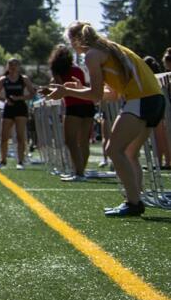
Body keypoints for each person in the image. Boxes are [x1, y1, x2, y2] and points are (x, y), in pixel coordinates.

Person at [47, 21, 167, 216]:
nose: (71, 46)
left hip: (141, 100)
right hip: (155, 99)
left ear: (77, 40)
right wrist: (77, 90)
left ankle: (134, 202)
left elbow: (94, 95)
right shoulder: (109, 48)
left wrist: (66, 91)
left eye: (71, 41)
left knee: (114, 149)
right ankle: (136, 198)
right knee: (129, 152)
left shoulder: (92, 55)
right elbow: (111, 94)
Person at [48, 44, 95, 181]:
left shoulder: (58, 71)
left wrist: (48, 91)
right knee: (84, 141)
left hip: (74, 106)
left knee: (70, 140)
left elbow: (59, 89)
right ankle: (80, 171)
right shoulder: (77, 69)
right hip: (88, 105)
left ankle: (79, 173)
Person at [0, 58, 35, 169]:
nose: (13, 66)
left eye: (15, 64)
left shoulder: (24, 79)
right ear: (7, 66)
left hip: (21, 108)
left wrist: (20, 98)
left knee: (20, 136)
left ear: (19, 66)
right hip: (8, 108)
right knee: (4, 137)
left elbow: (32, 93)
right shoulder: (3, 79)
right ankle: (2, 161)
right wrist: (4, 99)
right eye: (10, 64)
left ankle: (20, 162)